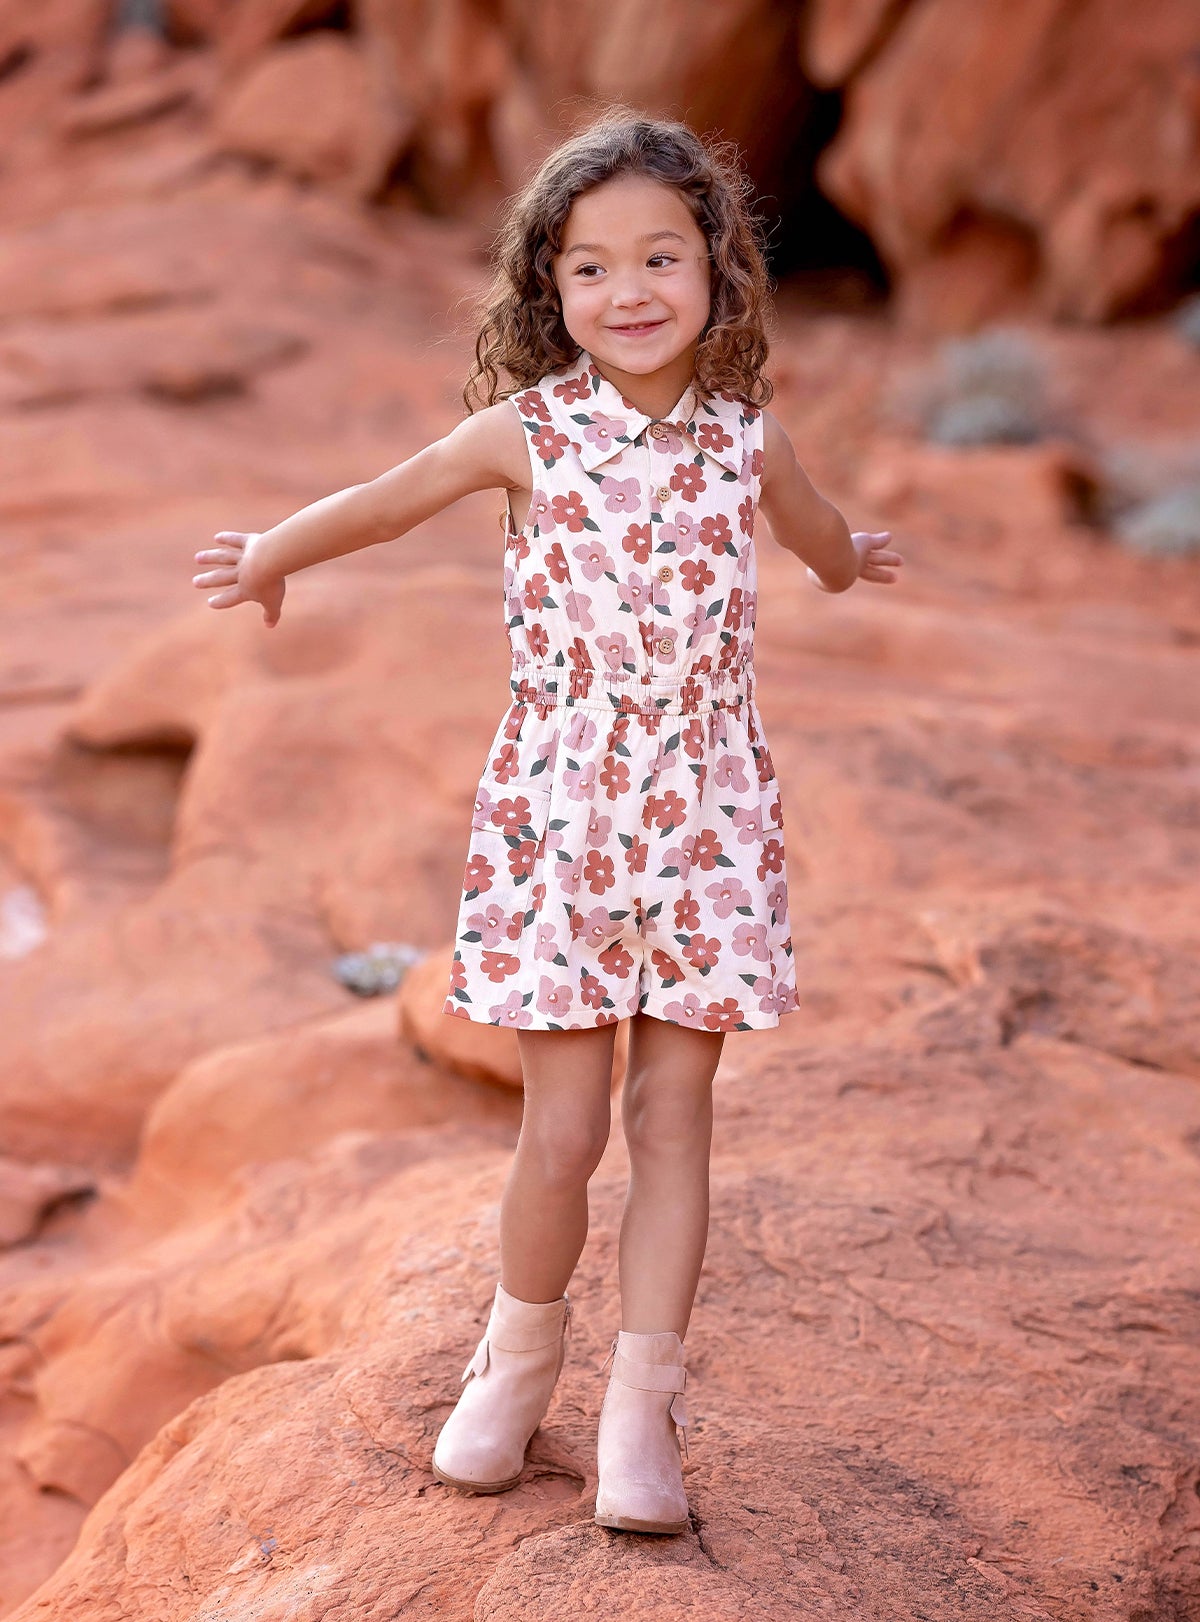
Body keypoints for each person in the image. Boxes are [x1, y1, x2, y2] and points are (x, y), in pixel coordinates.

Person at [191, 107, 904, 1537]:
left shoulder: (744, 444)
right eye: (588, 269)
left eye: (659, 257)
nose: (627, 293)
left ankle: (645, 1404)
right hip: (562, 813)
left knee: (677, 1112)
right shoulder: (528, 434)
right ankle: (518, 1362)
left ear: (717, 270)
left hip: (705, 814)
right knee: (565, 1124)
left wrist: (850, 560)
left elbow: (820, 539)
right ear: (549, 291)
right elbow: (386, 504)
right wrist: (272, 553)